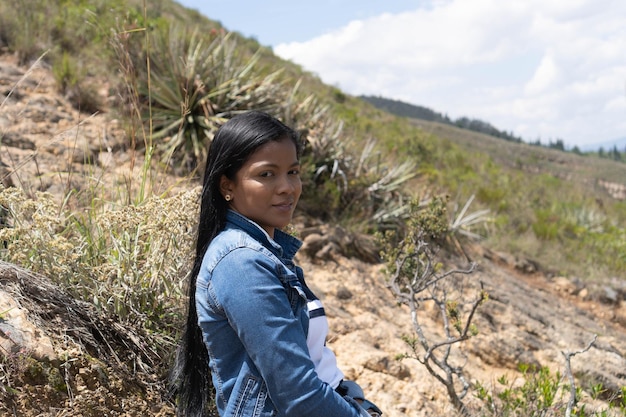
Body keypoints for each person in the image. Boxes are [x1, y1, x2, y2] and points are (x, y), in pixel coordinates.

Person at [171, 111, 382, 417]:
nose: (287, 187)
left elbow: (312, 366)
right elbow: (297, 394)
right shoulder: (241, 263)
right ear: (227, 185)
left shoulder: (267, 254)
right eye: (266, 174)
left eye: (293, 172)